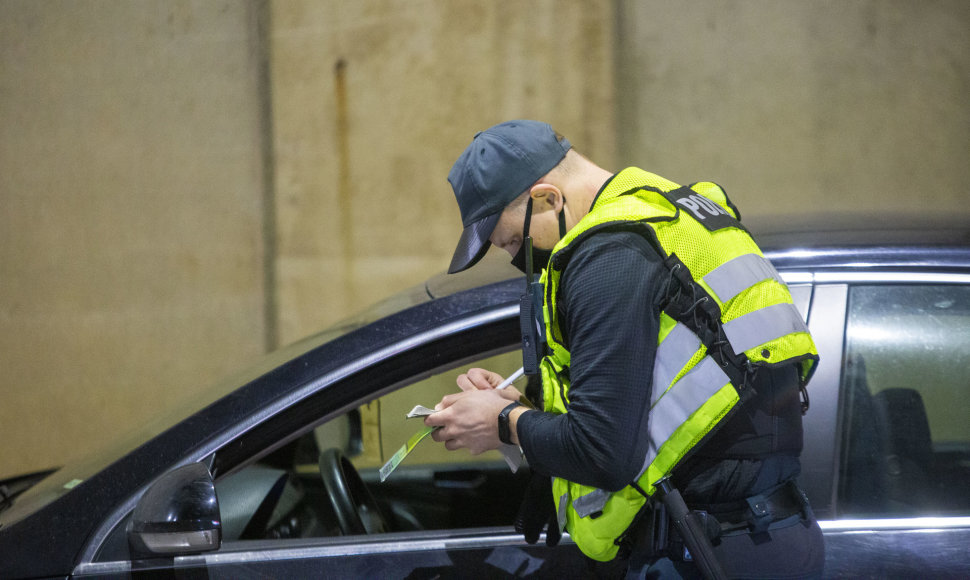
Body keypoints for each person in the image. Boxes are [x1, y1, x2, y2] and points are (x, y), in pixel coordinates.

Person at [425, 120, 826, 578]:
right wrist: (524, 408)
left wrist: (501, 424)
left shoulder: (609, 256)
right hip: (765, 535)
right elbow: (657, 395)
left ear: (548, 198)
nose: (518, 257)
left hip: (707, 551)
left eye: (515, 240)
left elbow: (602, 453)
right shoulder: (676, 217)